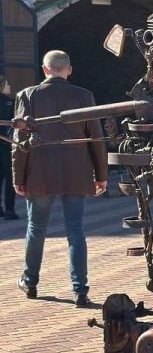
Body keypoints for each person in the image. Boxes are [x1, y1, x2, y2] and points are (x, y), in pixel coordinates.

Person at [12, 50, 107, 307]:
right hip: (76, 171)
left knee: (36, 228)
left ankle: (30, 282)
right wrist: (101, 174)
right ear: (69, 70)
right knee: (76, 231)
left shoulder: (28, 95)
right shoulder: (84, 96)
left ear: (44, 70)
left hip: (39, 171)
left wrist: (18, 176)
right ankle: (80, 290)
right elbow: (95, 139)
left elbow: (19, 142)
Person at [0, 75, 17, 219]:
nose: (9, 87)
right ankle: (9, 210)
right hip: (6, 144)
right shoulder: (10, 103)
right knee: (9, 177)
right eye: (7, 84)